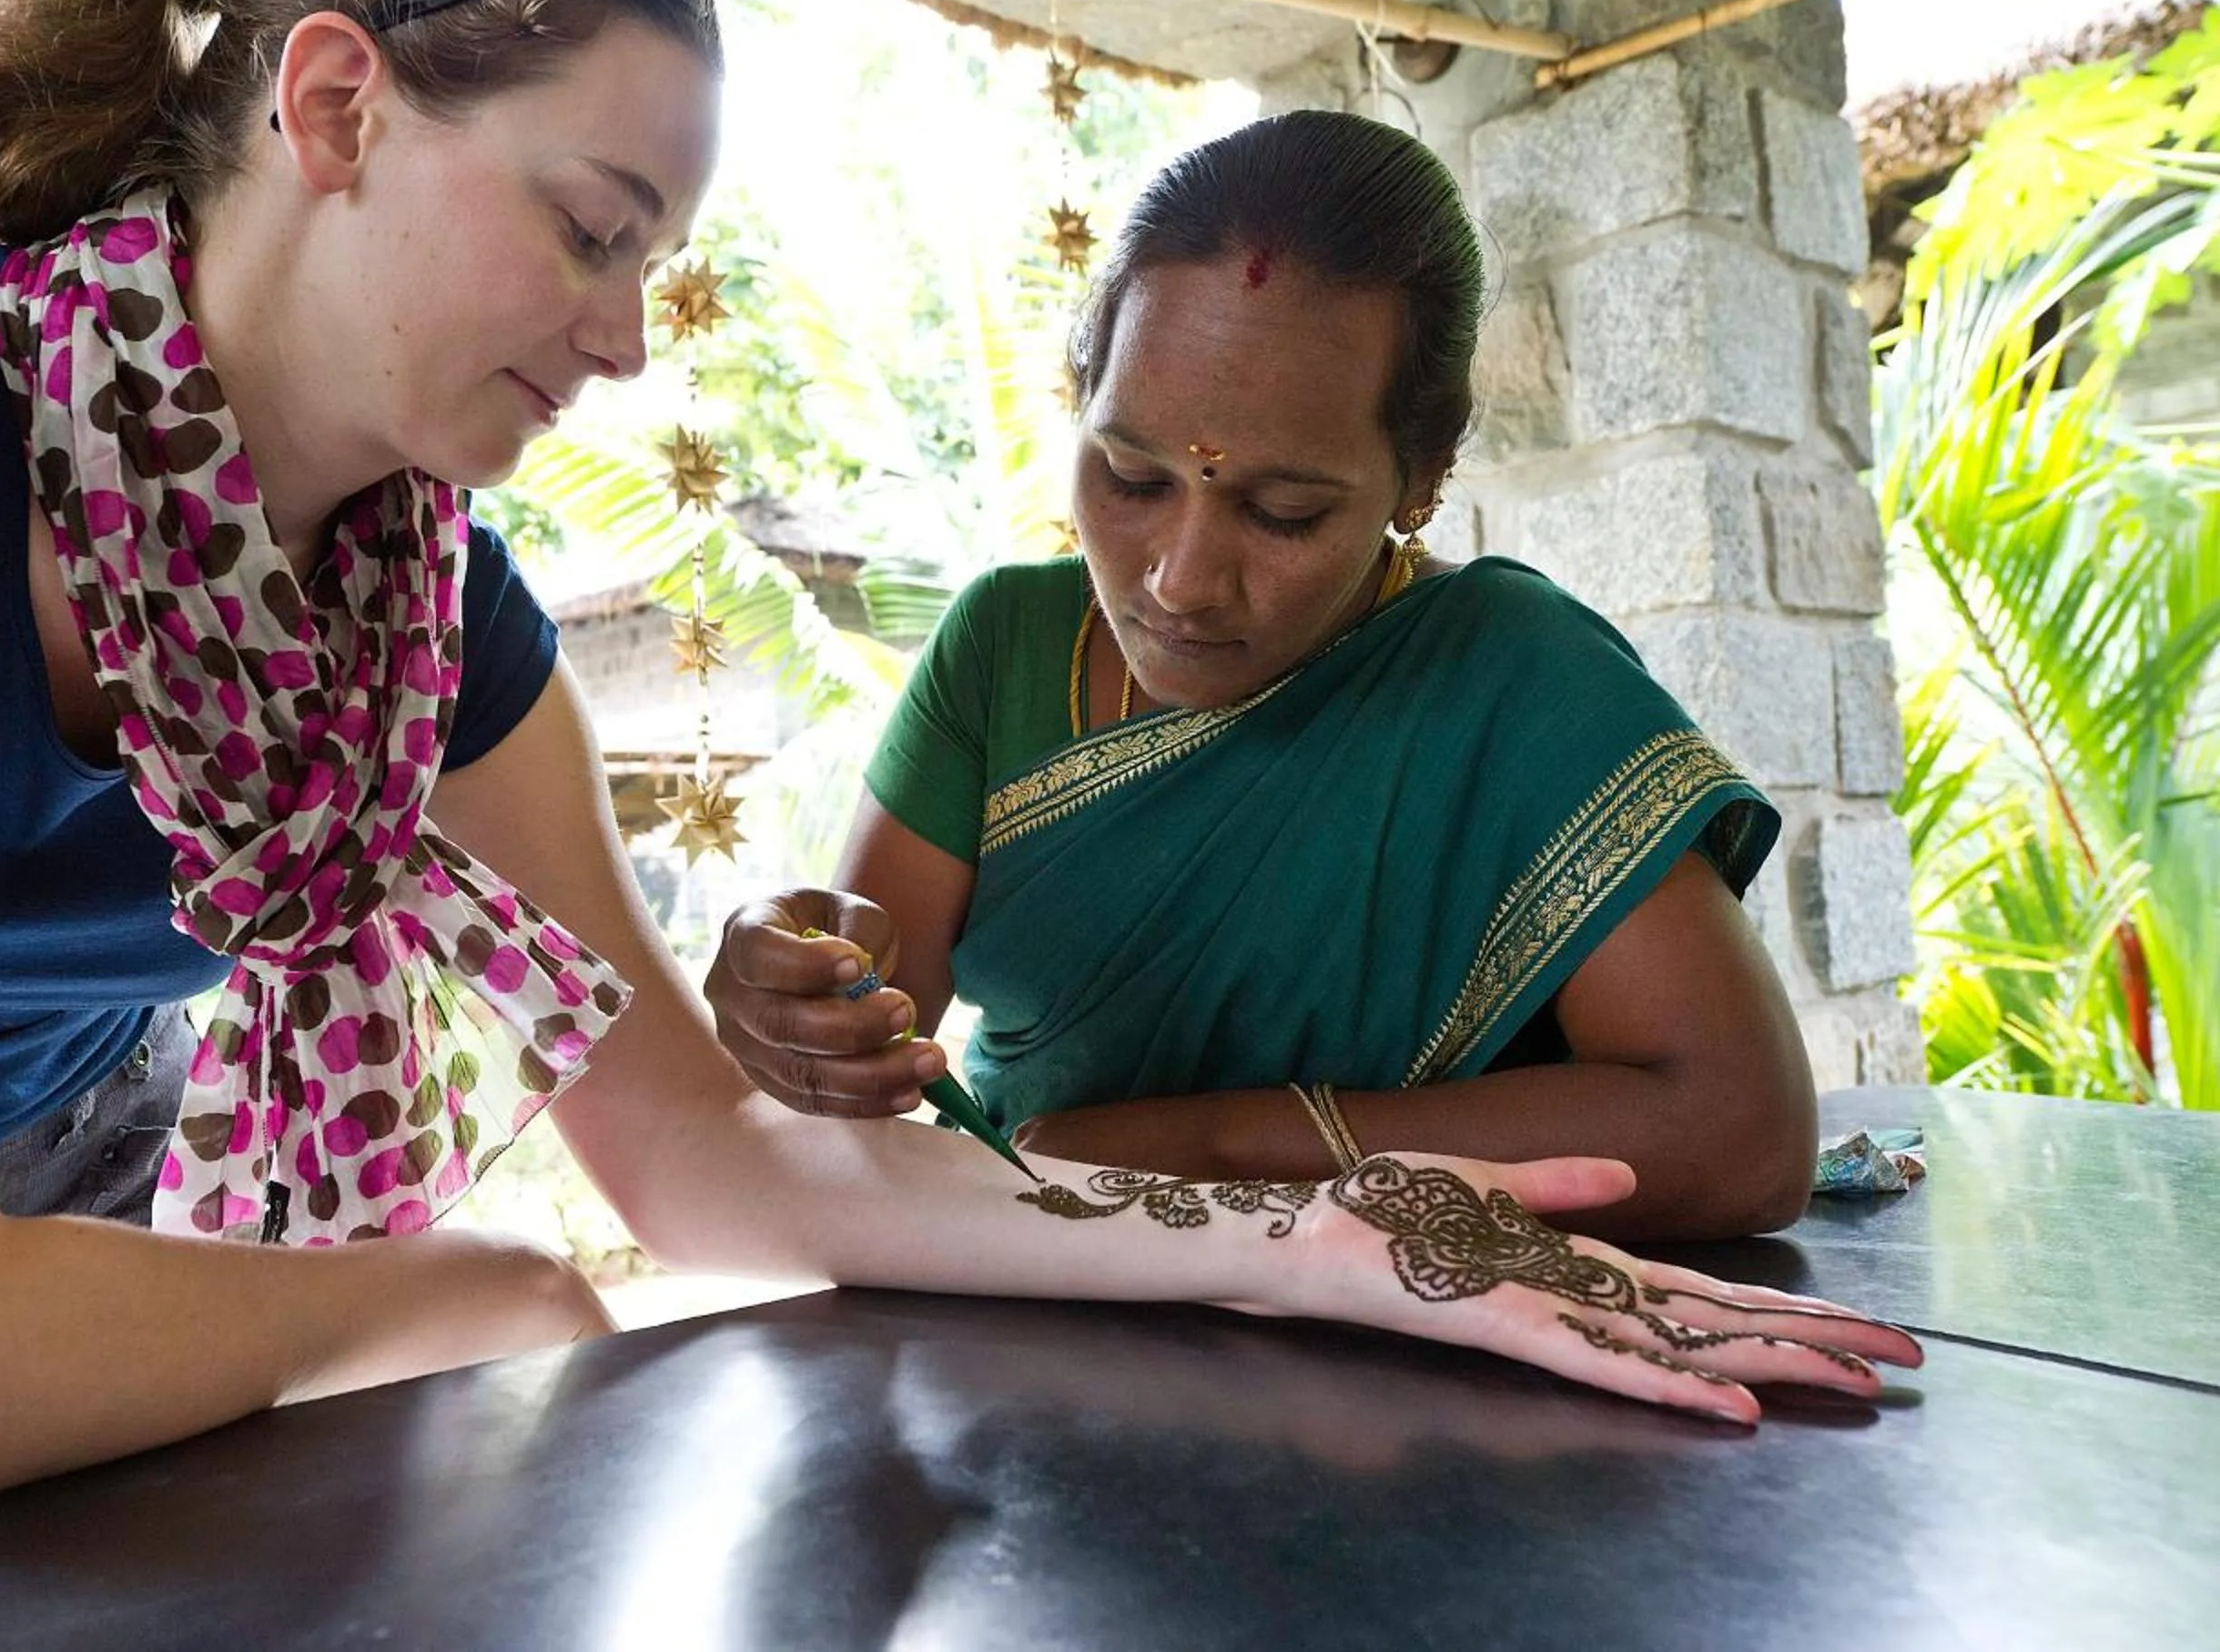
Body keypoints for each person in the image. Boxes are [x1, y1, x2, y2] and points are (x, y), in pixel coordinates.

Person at [0, 0, 1911, 1562]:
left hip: (79, 1224)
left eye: (660, 260)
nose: (631, 335)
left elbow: (736, 1161)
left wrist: (1321, 1239)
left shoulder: (434, 621)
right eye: (591, 225)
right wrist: (476, 1285)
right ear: (336, 107)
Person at [705, 112, 1818, 1243]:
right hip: (1038, 1311)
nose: (1181, 582)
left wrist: (1215, 1145)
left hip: (1439, 1379)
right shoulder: (1003, 650)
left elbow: (1741, 1136)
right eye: (1132, 476)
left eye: (1284, 512)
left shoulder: (1512, 682)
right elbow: (848, 1075)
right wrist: (788, 998)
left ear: (1421, 475)